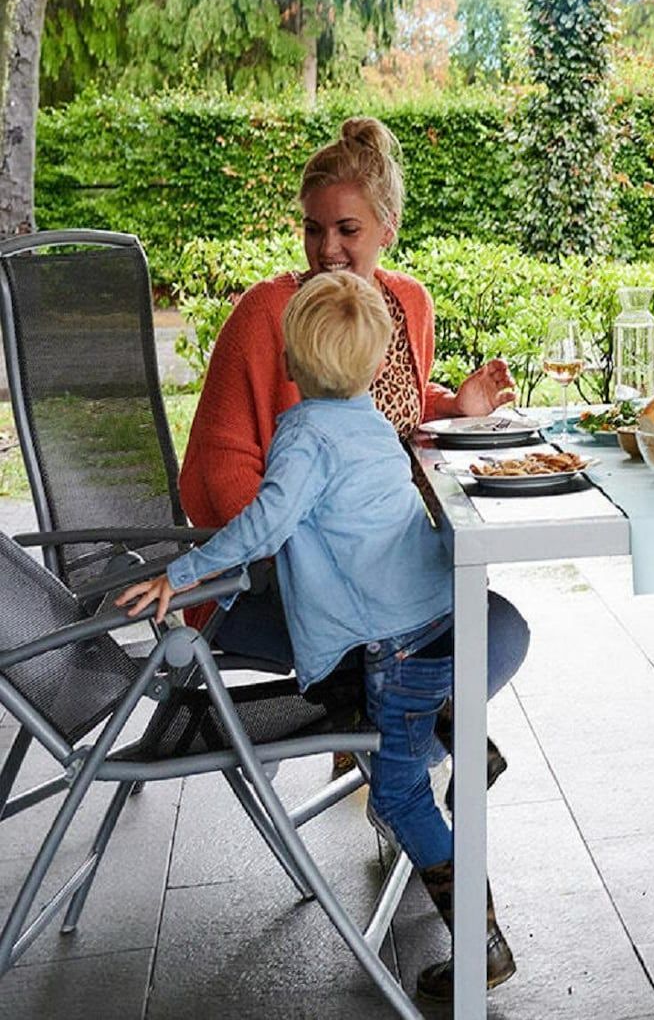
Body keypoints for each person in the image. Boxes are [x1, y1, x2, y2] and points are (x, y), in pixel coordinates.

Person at [119, 272, 528, 999]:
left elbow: (265, 523)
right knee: (349, 681)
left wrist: (182, 575)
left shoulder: (304, 434)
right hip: (436, 614)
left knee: (400, 796)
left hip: (396, 649)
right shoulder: (370, 418)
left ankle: (482, 944)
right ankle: (468, 736)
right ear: (375, 367)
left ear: (288, 360)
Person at [180, 117, 525, 668]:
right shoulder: (270, 314)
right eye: (313, 229)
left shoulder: (407, 303)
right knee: (481, 637)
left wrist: (452, 407)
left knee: (499, 628)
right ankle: (410, 727)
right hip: (275, 582)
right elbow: (220, 470)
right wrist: (315, 556)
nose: (327, 248)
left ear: (386, 228)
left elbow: (380, 413)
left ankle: (395, 720)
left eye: (347, 229)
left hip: (380, 567)